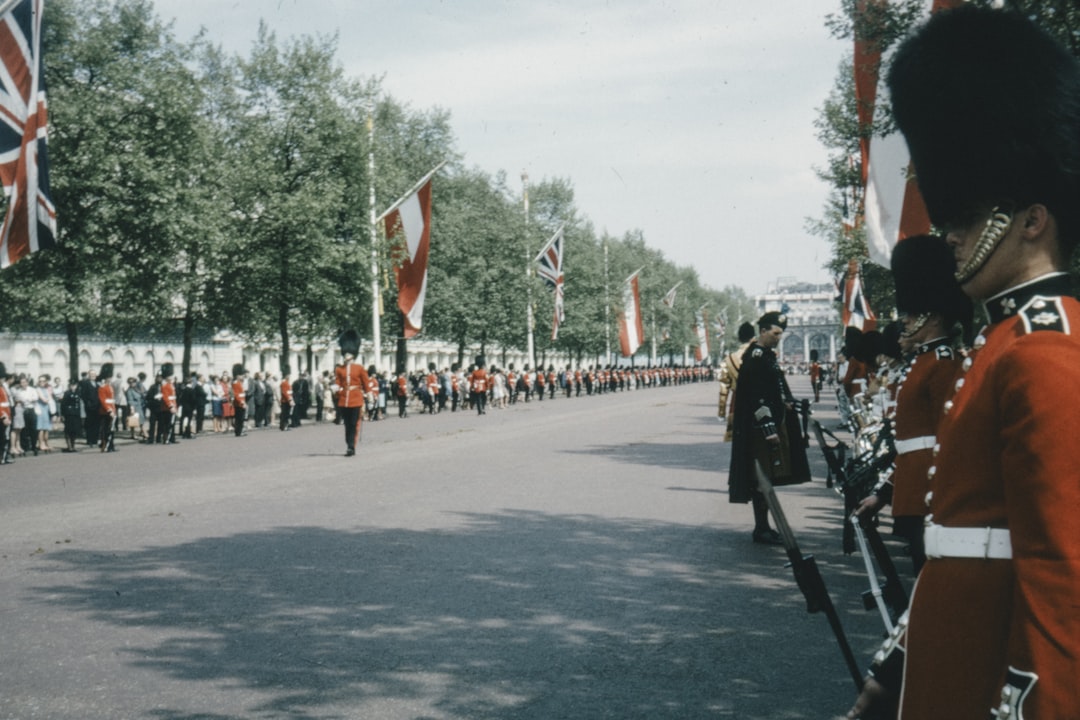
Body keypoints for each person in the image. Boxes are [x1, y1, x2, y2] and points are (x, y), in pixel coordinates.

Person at [847, 7, 1080, 719]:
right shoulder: (1003, 341)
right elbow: (964, 545)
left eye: (968, 217)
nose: (949, 234)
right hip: (949, 670)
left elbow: (1063, 580)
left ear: (1031, 220)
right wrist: (893, 673)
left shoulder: (1046, 350)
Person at [855, 235, 971, 577]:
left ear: (931, 315)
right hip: (913, 486)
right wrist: (883, 493)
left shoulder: (943, 361)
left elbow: (948, 439)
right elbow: (908, 443)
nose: (904, 319)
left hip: (933, 493)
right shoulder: (924, 361)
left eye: (911, 312)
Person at [727, 312, 811, 545]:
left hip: (770, 423)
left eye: (781, 334)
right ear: (763, 331)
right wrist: (768, 428)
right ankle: (761, 527)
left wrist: (787, 402)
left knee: (767, 478)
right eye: (775, 333)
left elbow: (773, 389)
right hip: (760, 428)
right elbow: (757, 397)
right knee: (762, 478)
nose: (779, 338)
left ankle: (764, 526)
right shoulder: (756, 357)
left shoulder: (765, 355)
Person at [717, 321, 756, 442]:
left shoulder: (729, 359)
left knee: (738, 440)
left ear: (739, 339)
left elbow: (724, 388)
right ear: (753, 337)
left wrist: (721, 412)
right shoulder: (760, 354)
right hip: (758, 399)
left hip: (737, 400)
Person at [334, 330, 370, 457]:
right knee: (347, 425)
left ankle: (351, 447)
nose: (345, 355)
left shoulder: (359, 368)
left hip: (355, 399)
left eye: (348, 353)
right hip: (344, 399)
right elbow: (338, 382)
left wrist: (369, 395)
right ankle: (348, 443)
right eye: (345, 352)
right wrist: (335, 387)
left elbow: (365, 383)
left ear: (353, 354)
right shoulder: (339, 369)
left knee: (353, 423)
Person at [97, 363, 116, 452]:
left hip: (112, 410)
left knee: (111, 429)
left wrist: (114, 410)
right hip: (105, 412)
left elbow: (111, 400)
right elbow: (103, 400)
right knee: (106, 429)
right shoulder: (102, 387)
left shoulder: (110, 387)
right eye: (109, 377)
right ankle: (105, 445)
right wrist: (109, 410)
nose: (110, 379)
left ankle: (111, 445)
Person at [59, 379, 82, 452]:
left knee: (75, 430)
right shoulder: (67, 393)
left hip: (76, 414)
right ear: (69, 386)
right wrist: (62, 415)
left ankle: (73, 445)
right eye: (72, 385)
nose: (73, 387)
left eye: (74, 385)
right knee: (68, 430)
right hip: (68, 414)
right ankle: (69, 446)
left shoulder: (78, 393)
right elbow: (63, 405)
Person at [231, 364, 248, 437]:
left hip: (241, 402)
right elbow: (236, 395)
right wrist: (242, 402)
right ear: (237, 376)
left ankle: (239, 431)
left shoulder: (239, 383)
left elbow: (241, 394)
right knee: (239, 418)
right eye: (241, 375)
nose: (243, 376)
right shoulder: (236, 383)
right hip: (239, 404)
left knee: (241, 418)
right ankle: (238, 431)